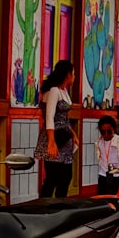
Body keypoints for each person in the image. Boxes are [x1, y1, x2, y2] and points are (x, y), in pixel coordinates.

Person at [33, 60, 78, 197]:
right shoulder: (54, 91)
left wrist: (73, 133)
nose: (74, 76)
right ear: (68, 74)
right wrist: (51, 142)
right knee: (52, 178)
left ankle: (59, 205)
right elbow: (49, 117)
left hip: (64, 137)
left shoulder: (63, 91)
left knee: (66, 177)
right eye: (74, 73)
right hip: (54, 137)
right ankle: (45, 207)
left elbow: (64, 118)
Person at [95, 116, 119, 194]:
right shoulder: (99, 142)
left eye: (109, 131)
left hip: (118, 175)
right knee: (102, 199)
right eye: (103, 132)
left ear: (114, 129)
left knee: (116, 198)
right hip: (103, 174)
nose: (106, 135)